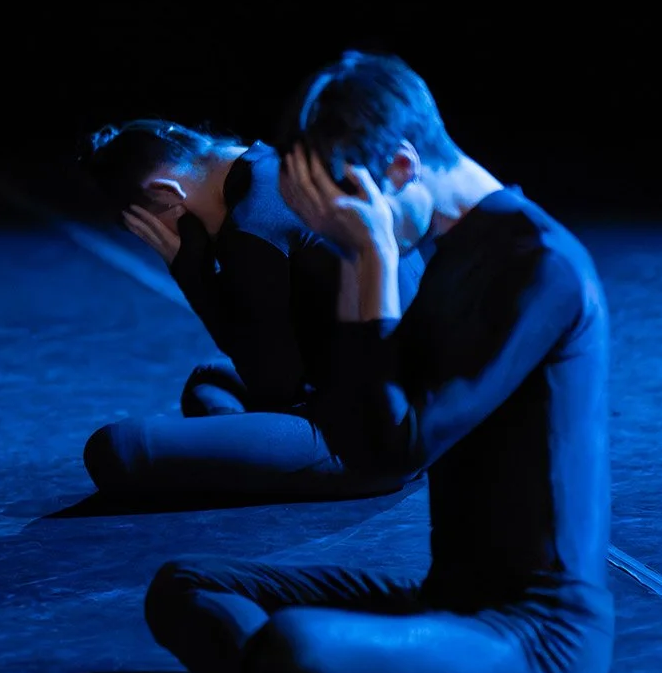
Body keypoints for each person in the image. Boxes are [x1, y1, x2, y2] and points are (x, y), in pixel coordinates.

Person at [143, 52, 612, 673]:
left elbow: (400, 447)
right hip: (445, 603)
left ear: (397, 168)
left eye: (341, 221)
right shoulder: (452, 248)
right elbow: (359, 438)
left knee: (295, 644)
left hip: (536, 639)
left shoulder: (542, 265)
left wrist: (371, 265)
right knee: (184, 586)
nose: (337, 240)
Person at [76, 118, 424, 505]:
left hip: (372, 442)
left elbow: (273, 387)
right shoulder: (279, 163)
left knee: (118, 448)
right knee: (209, 379)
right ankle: (251, 453)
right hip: (423, 406)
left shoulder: (251, 225)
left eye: (150, 227)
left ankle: (262, 459)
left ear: (167, 192)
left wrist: (191, 273)